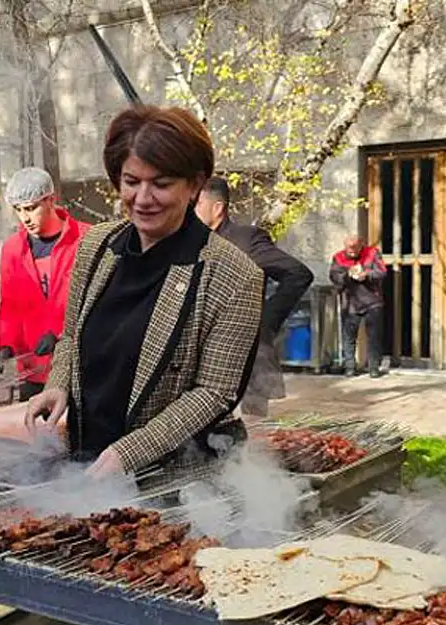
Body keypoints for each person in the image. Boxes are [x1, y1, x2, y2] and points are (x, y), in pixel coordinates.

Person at [24, 105, 264, 478]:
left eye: (162, 184)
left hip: (180, 480)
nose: (142, 198)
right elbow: (72, 336)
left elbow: (214, 392)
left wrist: (131, 451)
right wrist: (58, 386)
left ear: (194, 184)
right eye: (131, 181)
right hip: (87, 460)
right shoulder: (97, 247)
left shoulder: (232, 275)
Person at [195, 176, 313, 418]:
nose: (190, 211)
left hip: (246, 356)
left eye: (196, 204)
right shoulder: (191, 242)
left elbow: (298, 274)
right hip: (202, 356)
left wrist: (265, 321)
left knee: (252, 434)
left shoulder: (245, 240)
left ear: (217, 208)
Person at [0, 167, 90, 401]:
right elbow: (9, 305)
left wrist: (63, 337)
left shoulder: (85, 240)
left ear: (51, 200)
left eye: (31, 208)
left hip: (76, 370)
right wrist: (6, 346)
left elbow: (97, 304)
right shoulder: (13, 249)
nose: (25, 218)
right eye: (18, 210)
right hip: (33, 371)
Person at [328, 234, 386, 377]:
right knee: (348, 336)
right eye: (349, 249)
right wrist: (348, 275)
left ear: (361, 245)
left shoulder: (372, 253)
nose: (352, 252)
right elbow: (334, 277)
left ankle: (373, 367)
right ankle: (350, 367)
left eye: (355, 249)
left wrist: (367, 274)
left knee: (374, 336)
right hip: (350, 302)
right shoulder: (338, 257)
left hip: (372, 300)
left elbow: (382, 272)